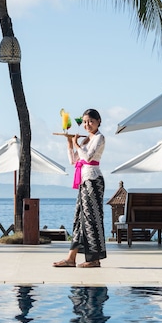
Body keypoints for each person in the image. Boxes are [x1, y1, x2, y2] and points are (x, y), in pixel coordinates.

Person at [53, 108, 107, 268]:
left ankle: (94, 259)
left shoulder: (99, 137)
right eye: (84, 122)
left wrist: (76, 144)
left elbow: (88, 157)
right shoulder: (85, 140)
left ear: (98, 122)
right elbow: (74, 160)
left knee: (92, 218)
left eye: (90, 121)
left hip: (93, 180)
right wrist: (70, 144)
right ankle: (71, 258)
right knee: (79, 219)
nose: (87, 124)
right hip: (84, 180)